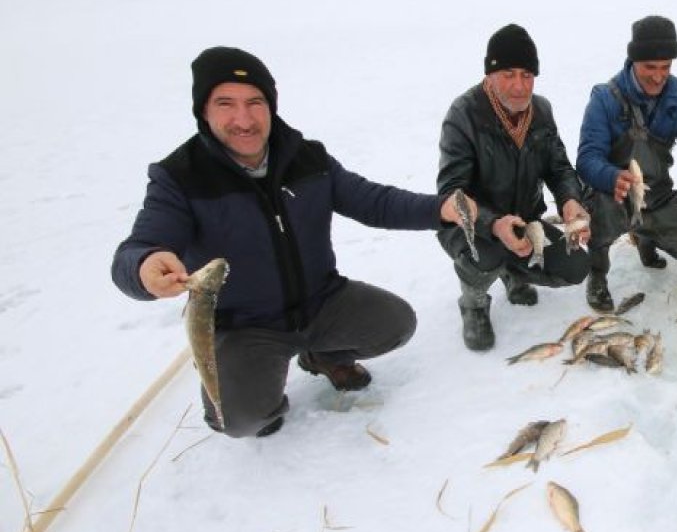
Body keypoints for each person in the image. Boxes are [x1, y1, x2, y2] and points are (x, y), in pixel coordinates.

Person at [112, 46, 471, 438]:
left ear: (271, 106)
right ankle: (258, 392)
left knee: (396, 323)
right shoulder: (180, 178)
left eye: (255, 102)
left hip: (321, 303)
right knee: (240, 419)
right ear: (203, 111)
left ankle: (322, 355)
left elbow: (373, 202)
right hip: (245, 326)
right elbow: (138, 248)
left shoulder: (306, 158)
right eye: (226, 104)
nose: (244, 119)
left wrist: (441, 209)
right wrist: (144, 266)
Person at [437, 23, 591, 350]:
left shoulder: (542, 111)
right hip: (471, 227)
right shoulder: (464, 114)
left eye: (527, 75)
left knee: (576, 265)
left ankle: (514, 274)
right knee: (489, 251)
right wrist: (493, 224)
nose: (520, 86)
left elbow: (559, 166)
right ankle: (474, 302)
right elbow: (452, 192)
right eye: (508, 74)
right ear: (490, 75)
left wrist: (570, 201)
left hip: (524, 221)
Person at [576, 15, 677, 312]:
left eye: (666, 67)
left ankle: (645, 233)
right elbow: (587, 158)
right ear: (633, 61)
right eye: (650, 68)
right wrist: (610, 176)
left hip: (656, 193)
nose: (659, 76)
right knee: (600, 214)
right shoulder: (604, 98)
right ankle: (597, 273)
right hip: (612, 197)